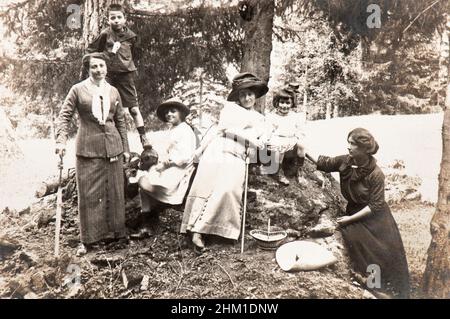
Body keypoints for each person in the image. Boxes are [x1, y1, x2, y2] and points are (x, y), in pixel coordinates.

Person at [311, 128, 410, 298]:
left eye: (353, 144)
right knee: (355, 239)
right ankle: (371, 284)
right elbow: (324, 163)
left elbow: (376, 205)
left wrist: (349, 219)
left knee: (379, 250)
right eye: (348, 142)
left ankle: (383, 289)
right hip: (354, 210)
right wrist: (302, 149)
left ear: (365, 149)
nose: (348, 147)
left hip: (376, 218)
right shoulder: (345, 161)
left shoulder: (376, 173)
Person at [180, 72, 269, 253]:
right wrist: (199, 151)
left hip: (238, 154)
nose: (246, 98)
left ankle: (215, 229)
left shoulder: (261, 119)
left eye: (249, 93)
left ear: (255, 95)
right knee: (206, 186)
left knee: (227, 189)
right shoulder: (230, 110)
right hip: (218, 149)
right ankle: (195, 231)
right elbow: (224, 129)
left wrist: (259, 143)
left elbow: (263, 139)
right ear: (237, 96)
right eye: (242, 94)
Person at [55, 52, 130, 256]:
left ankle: (115, 235)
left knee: (114, 192)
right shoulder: (78, 90)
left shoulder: (113, 91)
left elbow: (121, 121)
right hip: (88, 150)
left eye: (101, 66)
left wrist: (126, 148)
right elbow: (64, 117)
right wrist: (61, 141)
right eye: (94, 67)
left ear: (107, 68)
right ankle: (90, 240)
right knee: (89, 195)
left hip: (113, 148)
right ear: (88, 69)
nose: (98, 70)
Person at [85, 3, 150, 148]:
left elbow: (136, 54)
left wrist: (128, 65)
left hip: (125, 76)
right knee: (108, 109)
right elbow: (92, 53)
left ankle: (144, 137)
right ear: (108, 19)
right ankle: (110, 141)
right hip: (108, 76)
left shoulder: (131, 36)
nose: (116, 20)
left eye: (119, 17)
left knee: (133, 108)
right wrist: (110, 53)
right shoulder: (105, 35)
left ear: (125, 18)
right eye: (112, 17)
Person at [131, 99, 197, 238]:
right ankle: (146, 225)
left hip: (179, 171)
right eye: (167, 112)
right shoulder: (173, 129)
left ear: (181, 113)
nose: (169, 114)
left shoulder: (185, 130)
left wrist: (166, 164)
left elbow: (185, 157)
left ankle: (151, 219)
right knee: (142, 181)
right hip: (170, 167)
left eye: (173, 111)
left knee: (143, 181)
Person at [259, 86, 306, 185]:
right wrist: (265, 141)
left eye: (288, 103)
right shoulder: (272, 116)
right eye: (282, 102)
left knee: (302, 144)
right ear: (277, 103)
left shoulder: (295, 116)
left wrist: (297, 139)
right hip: (277, 141)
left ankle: (299, 170)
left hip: (291, 141)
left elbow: (300, 131)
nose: (284, 106)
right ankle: (278, 172)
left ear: (292, 103)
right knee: (280, 146)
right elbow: (267, 132)